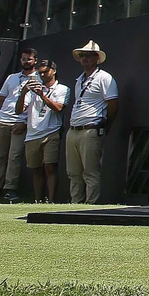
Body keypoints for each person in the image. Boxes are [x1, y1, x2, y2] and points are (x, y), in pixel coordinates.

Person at [66, 40, 118, 204]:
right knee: (73, 172)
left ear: (97, 58)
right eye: (82, 55)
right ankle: (75, 205)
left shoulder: (104, 78)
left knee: (90, 172)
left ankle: (90, 205)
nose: (85, 59)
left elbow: (113, 104)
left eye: (88, 56)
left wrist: (105, 125)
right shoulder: (79, 79)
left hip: (91, 129)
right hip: (73, 129)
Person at [0, 46, 36, 203]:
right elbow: (1, 99)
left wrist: (26, 122)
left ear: (35, 60)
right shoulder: (12, 78)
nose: (26, 61)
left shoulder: (39, 79)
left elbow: (37, 105)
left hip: (19, 122)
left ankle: (10, 188)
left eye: (29, 59)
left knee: (14, 156)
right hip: (2, 120)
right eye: (23, 59)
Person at [21, 59, 67, 204]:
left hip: (51, 131)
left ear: (53, 71)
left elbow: (59, 108)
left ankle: (51, 199)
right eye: (40, 73)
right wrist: (23, 93)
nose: (43, 75)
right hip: (32, 133)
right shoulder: (33, 88)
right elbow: (19, 110)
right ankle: (37, 199)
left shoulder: (62, 89)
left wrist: (42, 95)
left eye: (45, 72)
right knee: (36, 169)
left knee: (50, 167)